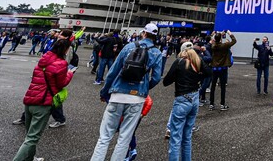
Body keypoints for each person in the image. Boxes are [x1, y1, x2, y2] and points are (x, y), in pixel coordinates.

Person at [90, 23, 163, 161]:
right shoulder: (156, 52)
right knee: (124, 138)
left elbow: (113, 71)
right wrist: (145, 88)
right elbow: (157, 77)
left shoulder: (129, 46)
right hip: (137, 97)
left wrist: (105, 91)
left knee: (104, 137)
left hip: (118, 93)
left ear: (143, 33)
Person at [11, 38, 75, 161]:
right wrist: (70, 73)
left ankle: (31, 158)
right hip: (43, 102)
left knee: (29, 135)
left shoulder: (43, 60)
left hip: (30, 99)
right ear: (65, 50)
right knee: (32, 138)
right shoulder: (61, 64)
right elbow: (61, 84)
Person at [163, 41, 211, 161]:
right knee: (187, 137)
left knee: (175, 138)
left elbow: (166, 81)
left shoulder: (179, 62)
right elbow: (209, 72)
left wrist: (178, 76)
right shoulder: (198, 62)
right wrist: (198, 78)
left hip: (182, 99)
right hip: (194, 98)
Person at [208, 30, 236, 111]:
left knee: (213, 86)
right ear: (221, 39)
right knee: (223, 87)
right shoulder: (224, 45)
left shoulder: (213, 46)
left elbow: (212, 40)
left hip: (214, 68)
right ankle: (222, 104)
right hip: (223, 68)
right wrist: (229, 33)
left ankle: (211, 104)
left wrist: (218, 34)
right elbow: (234, 41)